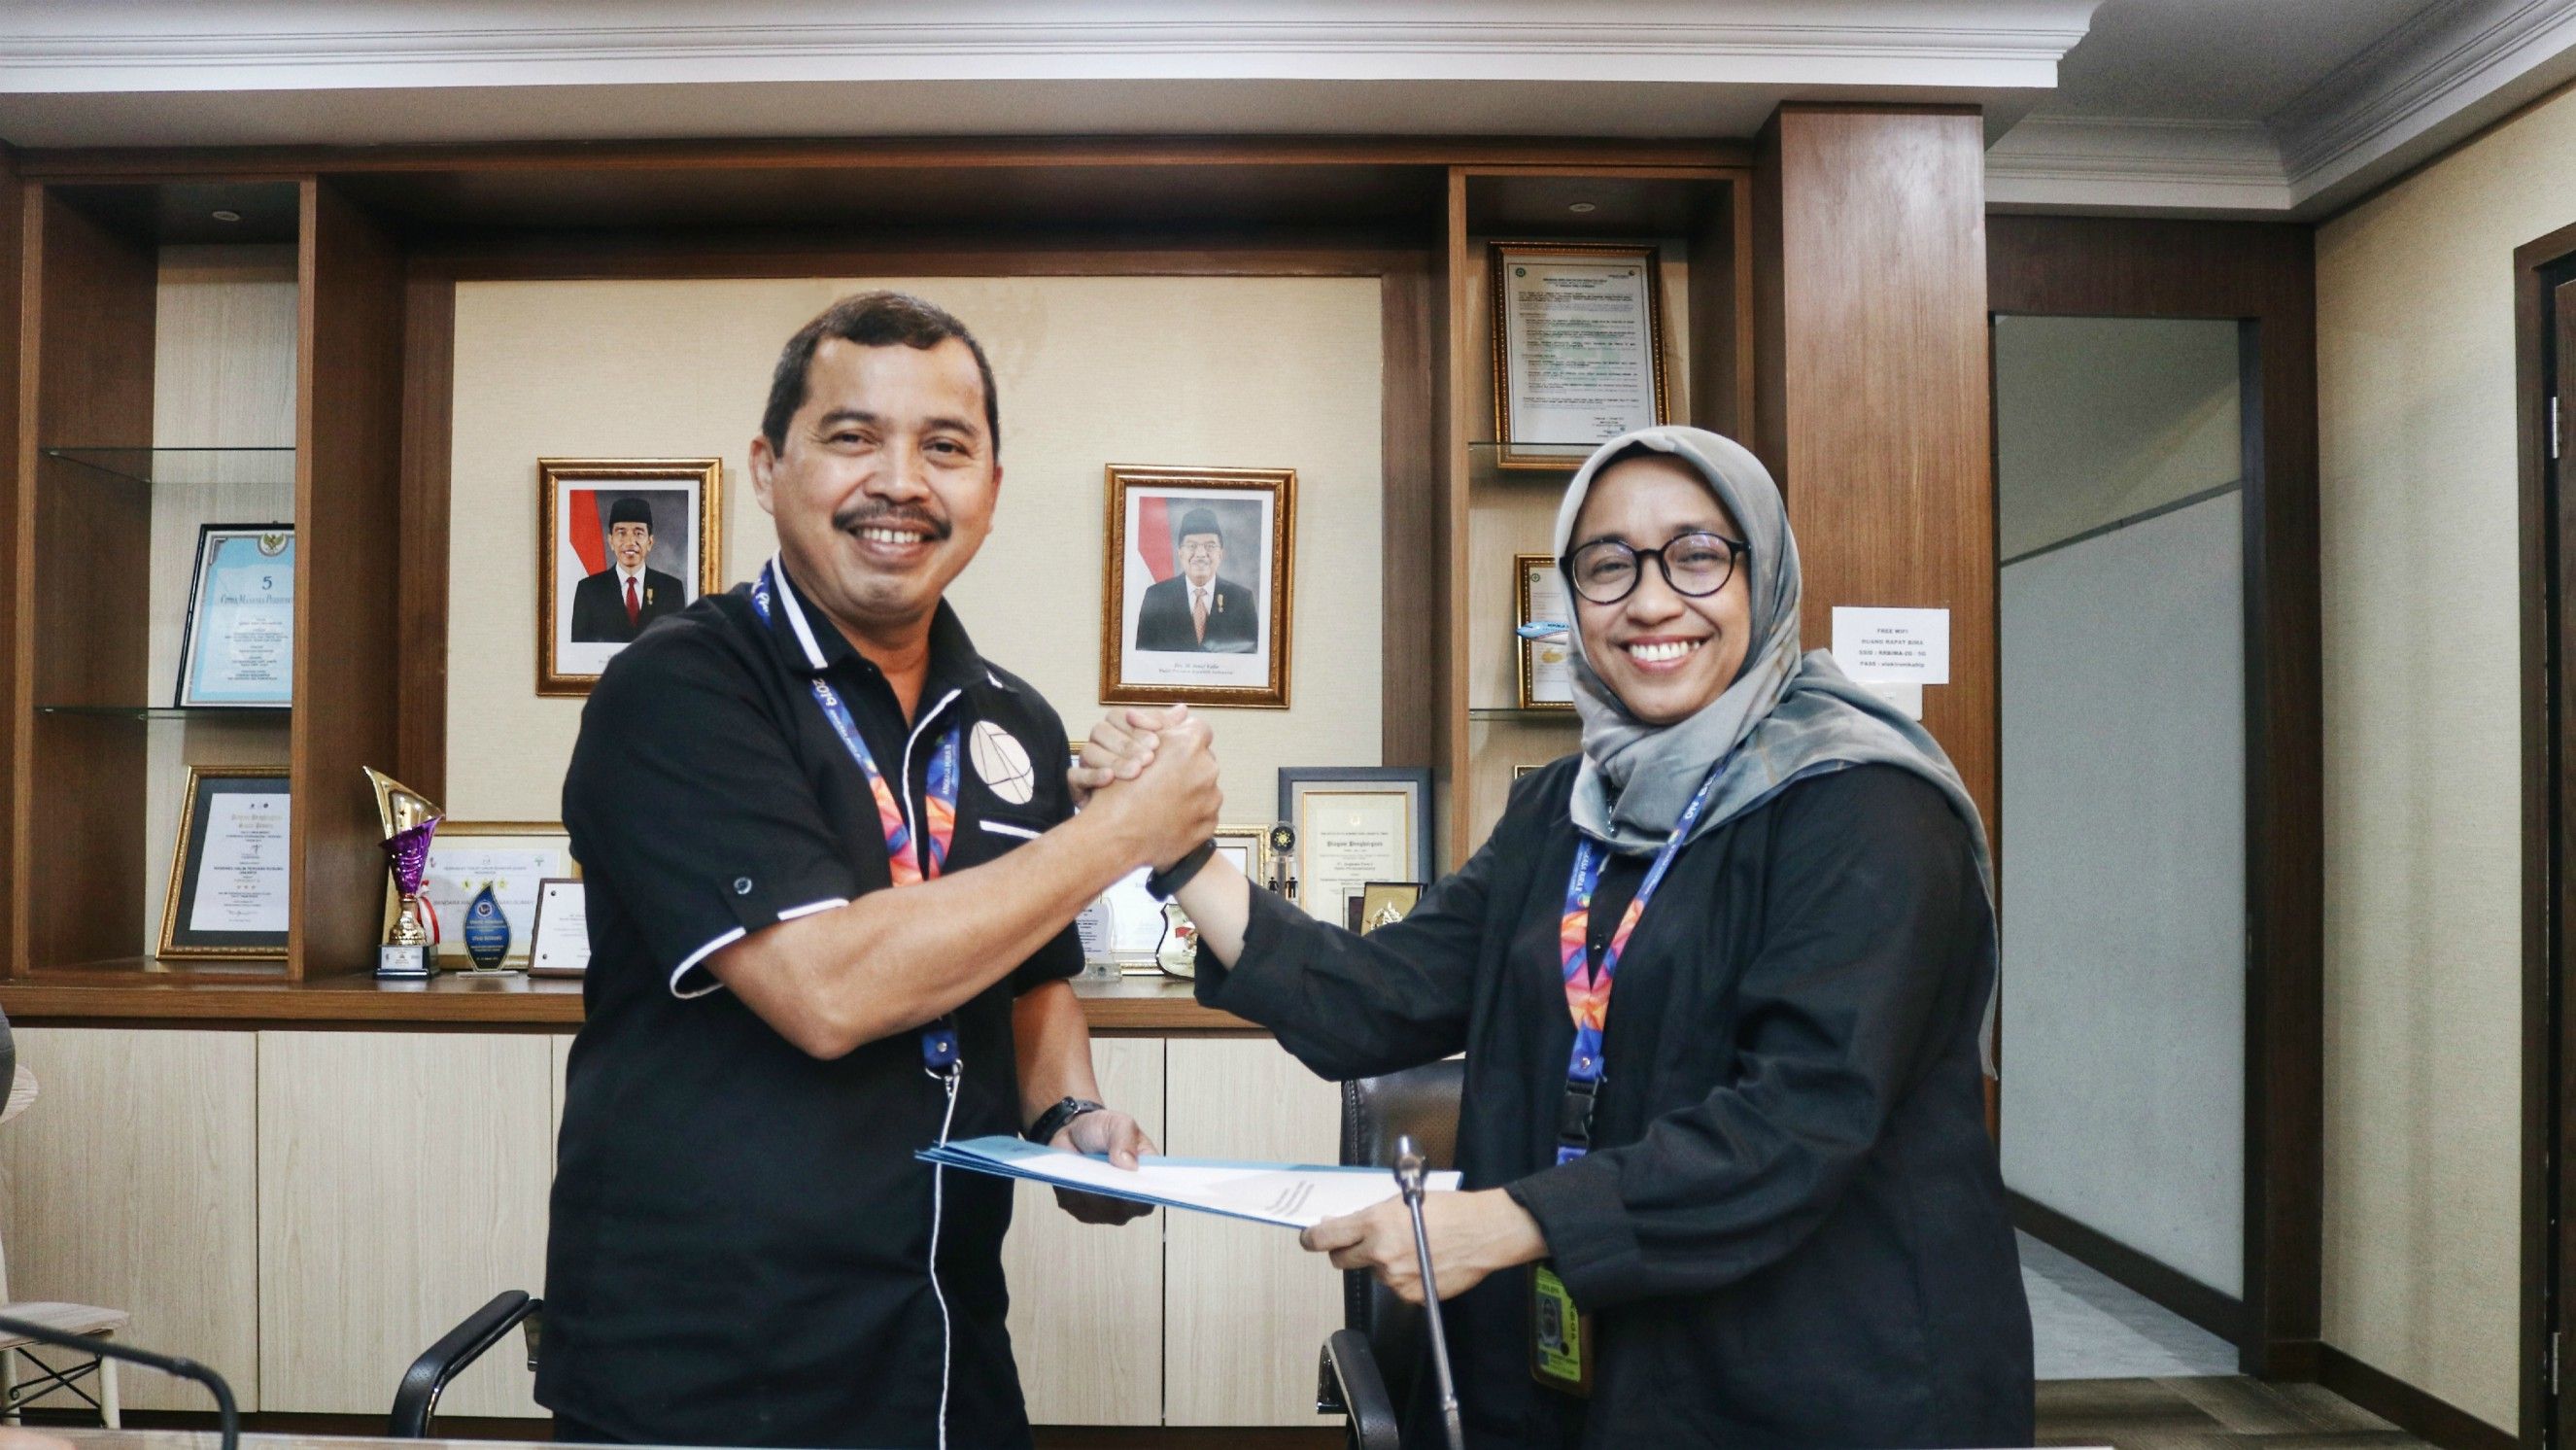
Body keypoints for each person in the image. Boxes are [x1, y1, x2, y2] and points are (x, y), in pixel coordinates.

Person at [1082, 426, 2033, 1448]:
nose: (1651, 600)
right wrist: (1179, 852)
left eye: (1696, 554)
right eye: (1606, 564)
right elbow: (1377, 995)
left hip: (1820, 1372)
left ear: (1765, 573)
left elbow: (1796, 1120)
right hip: (1589, 1367)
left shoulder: (1866, 808)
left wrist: (1506, 1222)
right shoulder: (1560, 809)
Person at [542, 292, 1219, 1450]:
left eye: (944, 447)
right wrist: (1118, 835)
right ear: (768, 467)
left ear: (990, 491)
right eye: (853, 437)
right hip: (710, 1370)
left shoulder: (1014, 716)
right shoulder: (679, 690)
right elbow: (826, 990)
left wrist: (1073, 1111)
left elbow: (1029, 976)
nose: (900, 481)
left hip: (945, 1348)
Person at [1132, 508, 1257, 652]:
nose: (1201, 554)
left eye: (1210, 546)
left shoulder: (1241, 600)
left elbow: (1250, 662)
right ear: (1180, 553)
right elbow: (1143, 660)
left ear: (1221, 553)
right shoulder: (1156, 597)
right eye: (1191, 546)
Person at [568, 497, 687, 642]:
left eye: (638, 533)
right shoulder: (589, 590)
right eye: (621, 533)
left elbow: (679, 647)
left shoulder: (671, 590)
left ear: (650, 542)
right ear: (611, 541)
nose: (630, 542)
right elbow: (579, 653)